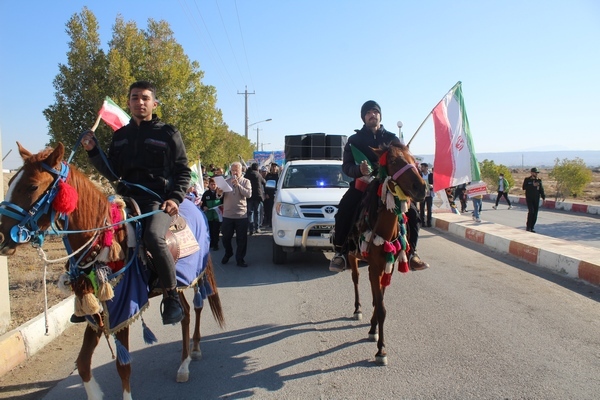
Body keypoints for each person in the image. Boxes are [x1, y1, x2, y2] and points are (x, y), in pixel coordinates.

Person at [81, 80, 191, 325]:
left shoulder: (168, 133)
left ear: (154, 102)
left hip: (157, 201)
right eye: (134, 98)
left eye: (144, 98)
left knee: (153, 236)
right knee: (92, 235)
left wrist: (175, 197)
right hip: (124, 199)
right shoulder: (120, 136)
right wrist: (92, 150)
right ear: (128, 102)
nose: (139, 102)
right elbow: (112, 171)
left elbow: (184, 171)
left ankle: (171, 295)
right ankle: (86, 295)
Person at [329, 100, 429, 273]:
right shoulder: (354, 140)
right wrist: (358, 170)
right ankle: (340, 252)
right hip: (363, 185)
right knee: (345, 208)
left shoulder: (392, 138)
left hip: (390, 187)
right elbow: (346, 167)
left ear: (380, 116)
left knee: (412, 212)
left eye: (375, 111)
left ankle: (412, 253)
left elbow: (403, 159)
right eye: (368, 112)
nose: (372, 114)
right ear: (363, 118)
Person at [218, 161, 252, 267]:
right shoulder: (226, 181)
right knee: (225, 237)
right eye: (232, 170)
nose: (234, 172)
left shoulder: (246, 181)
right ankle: (229, 252)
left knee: (241, 239)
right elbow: (219, 196)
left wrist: (238, 186)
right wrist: (219, 192)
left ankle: (240, 258)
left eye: (236, 170)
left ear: (241, 170)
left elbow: (248, 194)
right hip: (228, 214)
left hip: (241, 214)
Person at [201, 178, 222, 251]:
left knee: (216, 230)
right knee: (210, 229)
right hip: (209, 215)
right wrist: (204, 206)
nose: (213, 186)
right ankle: (212, 243)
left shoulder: (220, 192)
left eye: (214, 184)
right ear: (209, 185)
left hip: (217, 215)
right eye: (211, 184)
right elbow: (202, 203)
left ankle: (216, 244)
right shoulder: (206, 194)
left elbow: (223, 202)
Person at [244, 163, 266, 235]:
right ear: (257, 168)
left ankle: (251, 229)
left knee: (250, 213)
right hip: (258, 196)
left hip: (249, 196)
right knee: (257, 212)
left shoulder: (247, 175)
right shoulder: (258, 175)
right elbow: (264, 182)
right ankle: (257, 228)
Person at [522, 167, 545, 232]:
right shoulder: (527, 180)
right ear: (531, 173)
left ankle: (532, 227)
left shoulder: (539, 180)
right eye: (535, 172)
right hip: (529, 198)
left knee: (535, 213)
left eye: (537, 173)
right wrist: (532, 185)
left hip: (536, 198)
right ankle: (528, 226)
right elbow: (524, 187)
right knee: (531, 211)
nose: (536, 174)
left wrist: (543, 197)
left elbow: (541, 189)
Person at [263, 163, 280, 228]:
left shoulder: (279, 176)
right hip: (269, 195)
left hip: (276, 194)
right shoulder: (268, 175)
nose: (274, 168)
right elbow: (265, 184)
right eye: (273, 167)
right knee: (270, 209)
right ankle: (269, 222)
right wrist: (266, 193)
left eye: (275, 167)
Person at [419, 163, 433, 227]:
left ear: (426, 167)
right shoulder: (420, 175)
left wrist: (432, 186)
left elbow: (435, 183)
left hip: (429, 193)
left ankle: (429, 222)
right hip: (422, 194)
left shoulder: (431, 175)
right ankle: (422, 222)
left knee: (429, 208)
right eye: (421, 167)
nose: (421, 168)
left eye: (423, 167)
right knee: (422, 208)